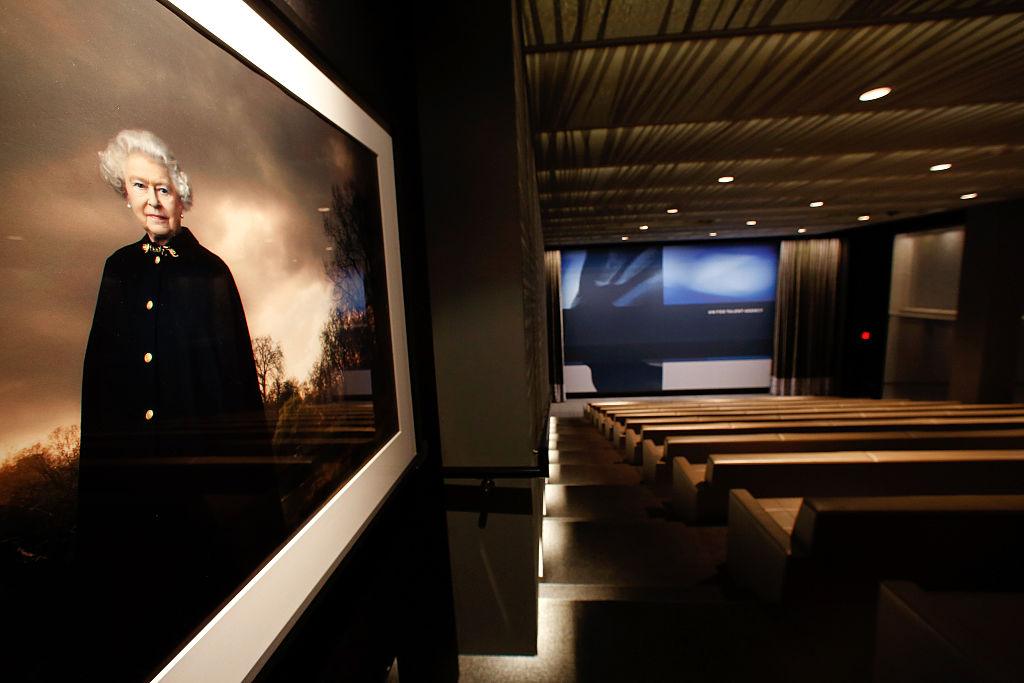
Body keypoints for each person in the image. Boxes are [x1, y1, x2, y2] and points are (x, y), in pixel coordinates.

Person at [77, 129, 282, 679]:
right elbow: (99, 384)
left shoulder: (210, 272)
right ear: (125, 194)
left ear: (181, 193)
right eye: (138, 186)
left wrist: (247, 496)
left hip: (201, 497)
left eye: (162, 188)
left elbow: (238, 388)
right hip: (134, 493)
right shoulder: (117, 270)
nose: (152, 200)